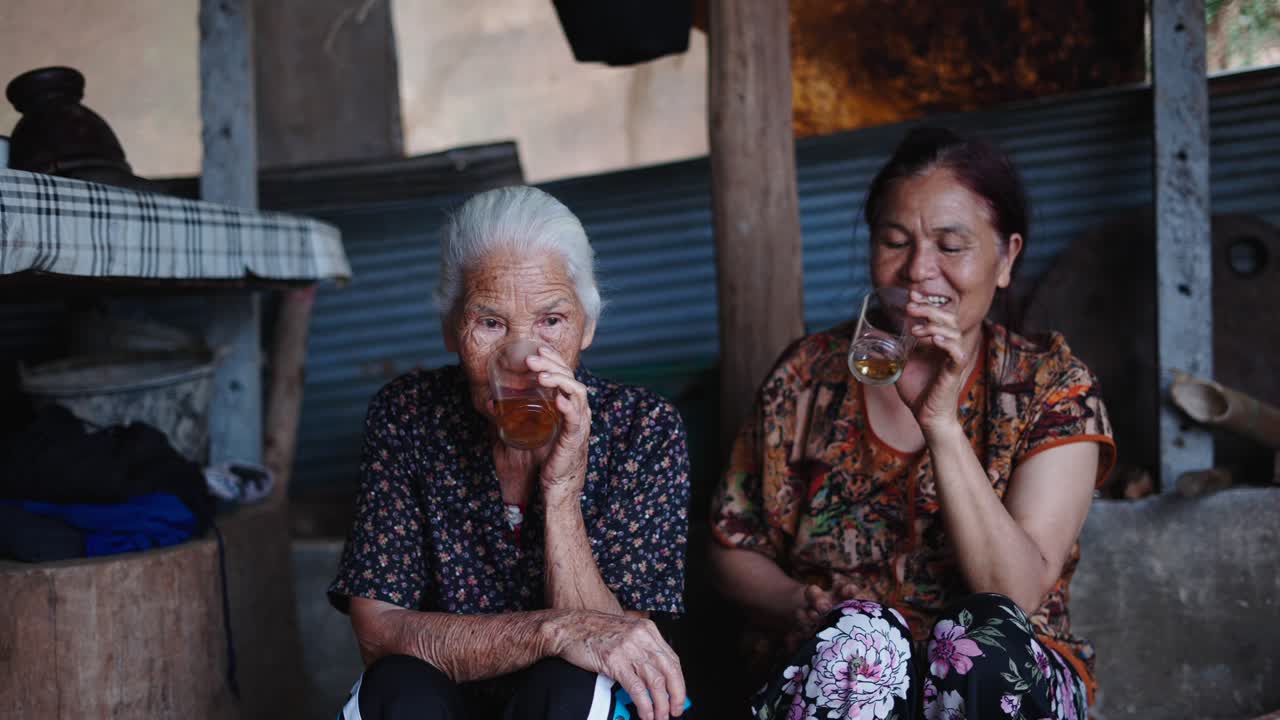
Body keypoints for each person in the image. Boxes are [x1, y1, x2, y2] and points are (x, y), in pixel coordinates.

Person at [708, 127, 1115, 720]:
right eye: (895, 241)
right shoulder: (807, 377)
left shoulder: (1051, 385)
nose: (918, 270)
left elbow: (1016, 593)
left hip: (1002, 679)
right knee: (860, 643)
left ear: (1007, 259)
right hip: (843, 674)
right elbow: (730, 548)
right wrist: (798, 603)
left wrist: (941, 424)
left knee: (982, 643)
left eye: (951, 246)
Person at [329, 186, 691, 720]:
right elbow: (379, 631)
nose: (523, 360)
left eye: (551, 321)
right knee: (398, 683)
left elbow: (615, 653)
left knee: (576, 680)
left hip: (569, 705)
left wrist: (563, 491)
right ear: (452, 329)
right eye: (491, 323)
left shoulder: (644, 429)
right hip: (449, 701)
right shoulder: (407, 416)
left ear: (587, 327)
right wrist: (552, 630)